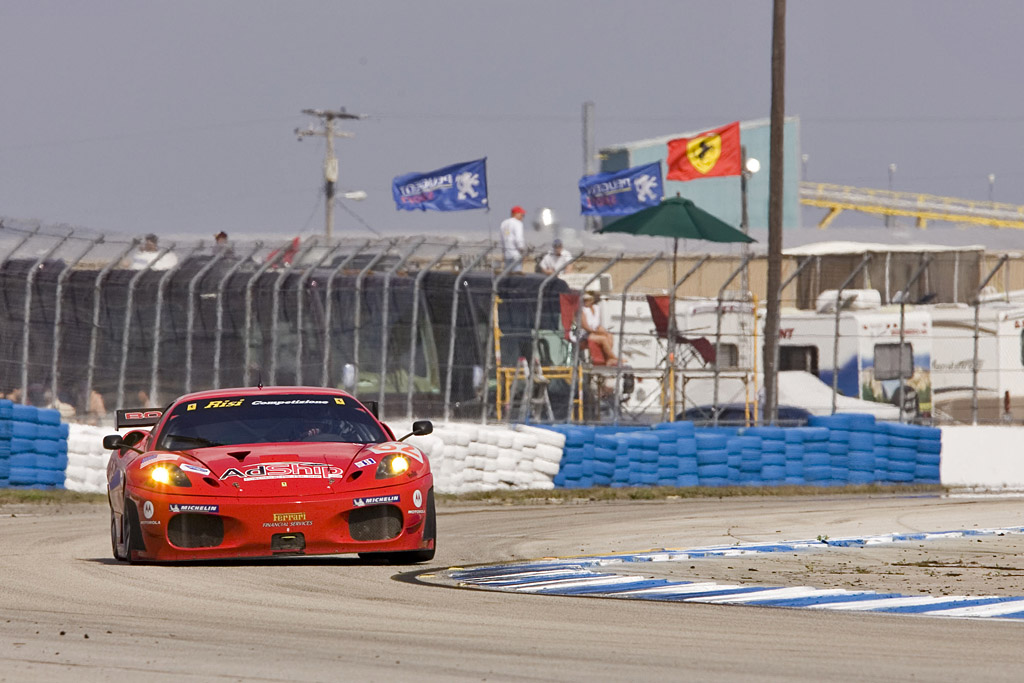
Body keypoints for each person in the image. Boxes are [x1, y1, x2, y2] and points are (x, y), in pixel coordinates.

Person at [581, 290, 618, 366]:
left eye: (587, 300)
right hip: (585, 334)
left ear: (592, 300)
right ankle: (614, 358)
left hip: (594, 331)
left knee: (609, 336)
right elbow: (585, 327)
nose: (585, 301)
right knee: (603, 339)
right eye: (584, 300)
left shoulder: (597, 308)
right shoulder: (582, 310)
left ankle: (608, 359)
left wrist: (601, 330)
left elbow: (597, 324)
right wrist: (597, 332)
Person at [499, 206, 527, 272]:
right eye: (522, 215)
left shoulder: (503, 223)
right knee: (516, 276)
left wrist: (503, 252)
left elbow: (502, 239)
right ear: (516, 213)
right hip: (516, 254)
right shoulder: (518, 223)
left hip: (507, 254)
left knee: (507, 275)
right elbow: (518, 238)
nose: (522, 217)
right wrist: (523, 250)